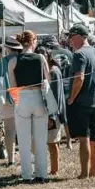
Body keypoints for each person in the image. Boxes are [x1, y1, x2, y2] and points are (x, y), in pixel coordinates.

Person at [8, 31, 51, 183]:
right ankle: (42, 174)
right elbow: (48, 79)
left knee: (24, 141)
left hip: (22, 98)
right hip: (39, 97)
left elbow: (12, 86)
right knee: (41, 139)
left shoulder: (13, 61)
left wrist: (17, 103)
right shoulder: (40, 58)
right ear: (33, 41)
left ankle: (26, 175)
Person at [66, 24, 95, 178]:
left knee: (84, 138)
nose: (69, 40)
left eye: (70, 36)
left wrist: (71, 97)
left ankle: (84, 173)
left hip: (82, 103)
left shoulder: (79, 54)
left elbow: (79, 77)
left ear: (78, 36)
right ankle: (93, 172)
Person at [0, 37, 22, 164]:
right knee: (25, 129)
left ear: (7, 48)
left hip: (6, 99)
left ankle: (10, 159)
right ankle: (31, 157)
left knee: (9, 130)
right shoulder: (23, 60)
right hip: (22, 97)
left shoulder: (1, 62)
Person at [36, 46, 66, 176]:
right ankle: (54, 168)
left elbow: (55, 96)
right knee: (52, 143)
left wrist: (52, 116)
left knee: (52, 143)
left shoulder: (53, 72)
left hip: (52, 113)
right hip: (50, 112)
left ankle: (54, 171)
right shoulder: (48, 71)